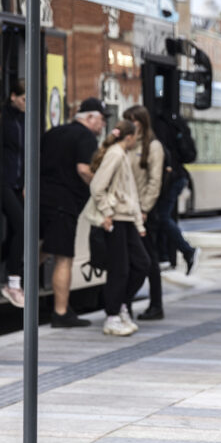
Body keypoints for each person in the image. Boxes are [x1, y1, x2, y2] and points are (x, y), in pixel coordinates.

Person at [39, 97, 106, 327]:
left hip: (41, 199)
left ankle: (18, 275)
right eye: (101, 120)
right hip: (64, 203)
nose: (102, 127)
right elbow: (84, 170)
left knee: (45, 247)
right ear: (89, 117)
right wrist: (101, 190)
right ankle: (61, 312)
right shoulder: (85, 137)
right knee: (64, 257)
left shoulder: (52, 133)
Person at [88, 119, 150, 336]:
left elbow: (130, 193)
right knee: (119, 270)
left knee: (142, 264)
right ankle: (112, 315)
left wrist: (138, 224)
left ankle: (121, 304)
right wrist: (106, 211)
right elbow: (97, 186)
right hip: (115, 220)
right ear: (130, 137)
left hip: (126, 220)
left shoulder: (122, 154)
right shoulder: (115, 154)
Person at [123, 105, 165, 321]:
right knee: (129, 259)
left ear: (142, 121)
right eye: (127, 120)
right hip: (126, 211)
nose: (131, 124)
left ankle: (155, 304)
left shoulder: (153, 146)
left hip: (144, 212)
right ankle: (126, 305)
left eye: (134, 120)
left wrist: (145, 208)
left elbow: (154, 181)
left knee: (147, 259)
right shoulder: (126, 144)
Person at [152, 108, 200, 275]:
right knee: (162, 215)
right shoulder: (178, 122)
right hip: (178, 176)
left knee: (161, 216)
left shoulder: (158, 125)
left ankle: (186, 251)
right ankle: (165, 256)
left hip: (169, 178)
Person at [0, 81, 26, 308]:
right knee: (22, 227)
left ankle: (6, 269)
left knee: (17, 229)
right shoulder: (3, 119)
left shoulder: (25, 120)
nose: (27, 105)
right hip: (3, 182)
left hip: (18, 184)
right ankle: (13, 283)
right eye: (24, 99)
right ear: (13, 96)